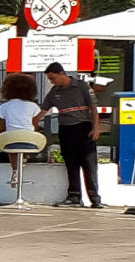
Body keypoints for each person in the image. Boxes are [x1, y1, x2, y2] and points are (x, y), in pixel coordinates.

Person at [39, 62, 102, 207]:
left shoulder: (82, 86)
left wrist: (96, 127)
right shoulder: (55, 92)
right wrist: (35, 121)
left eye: (52, 78)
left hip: (84, 128)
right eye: (49, 79)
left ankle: (95, 199)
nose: (51, 81)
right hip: (66, 129)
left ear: (62, 73)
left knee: (89, 164)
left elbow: (93, 108)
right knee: (71, 164)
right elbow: (43, 110)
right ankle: (74, 197)